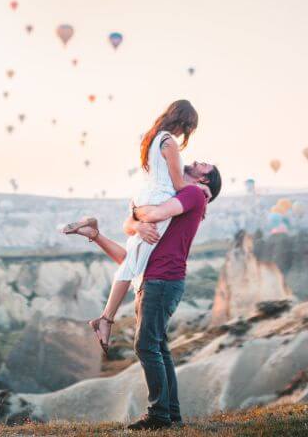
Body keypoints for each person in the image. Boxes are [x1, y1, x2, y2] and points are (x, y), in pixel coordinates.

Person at [64, 162, 221, 430]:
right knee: (158, 347)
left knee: (146, 346)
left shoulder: (193, 195)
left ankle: (159, 415)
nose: (194, 161)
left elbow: (151, 214)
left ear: (205, 182)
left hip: (163, 281)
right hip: (154, 281)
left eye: (204, 165)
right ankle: (171, 415)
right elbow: (129, 253)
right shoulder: (179, 198)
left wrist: (137, 212)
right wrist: (125, 226)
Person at [63, 100, 198, 354]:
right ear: (185, 122)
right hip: (159, 202)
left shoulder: (152, 138)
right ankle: (105, 319)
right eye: (188, 128)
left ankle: (94, 235)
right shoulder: (170, 142)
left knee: (132, 259)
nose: (185, 134)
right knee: (135, 265)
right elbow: (180, 186)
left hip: (142, 198)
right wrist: (197, 193)